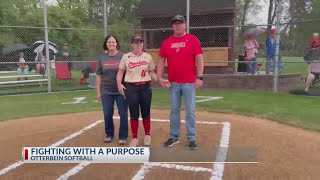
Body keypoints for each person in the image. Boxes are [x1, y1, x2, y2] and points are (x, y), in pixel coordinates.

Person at [157, 15, 204, 150]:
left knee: (190, 110)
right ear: (172, 26)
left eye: (180, 23)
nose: (177, 25)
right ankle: (174, 136)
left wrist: (199, 77)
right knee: (174, 110)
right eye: (175, 23)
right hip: (173, 83)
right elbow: (161, 60)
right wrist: (159, 77)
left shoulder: (193, 40)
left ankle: (191, 138)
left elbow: (199, 59)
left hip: (189, 82)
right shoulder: (167, 42)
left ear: (185, 25)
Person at [116, 35, 160, 147]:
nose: (138, 44)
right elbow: (120, 72)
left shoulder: (147, 57)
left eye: (140, 42)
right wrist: (119, 84)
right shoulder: (126, 57)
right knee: (134, 113)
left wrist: (159, 79)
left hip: (145, 87)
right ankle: (135, 138)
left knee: (146, 112)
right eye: (136, 42)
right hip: (131, 87)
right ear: (132, 44)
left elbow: (152, 72)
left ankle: (147, 135)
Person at [96, 35, 128, 145]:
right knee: (107, 113)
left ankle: (123, 136)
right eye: (109, 42)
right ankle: (109, 134)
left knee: (123, 113)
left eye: (113, 42)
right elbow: (99, 75)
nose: (111, 44)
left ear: (116, 43)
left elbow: (128, 72)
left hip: (121, 90)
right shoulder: (102, 58)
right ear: (106, 44)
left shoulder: (123, 56)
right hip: (106, 90)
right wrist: (98, 92)